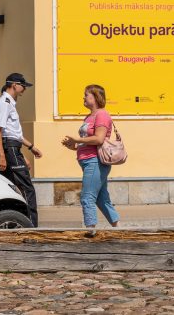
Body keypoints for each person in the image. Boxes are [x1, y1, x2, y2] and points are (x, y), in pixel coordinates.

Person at [62, 85, 120, 236]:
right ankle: (119, 228)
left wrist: (78, 139)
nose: (83, 98)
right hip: (87, 160)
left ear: (95, 97)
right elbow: (87, 142)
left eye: (86, 95)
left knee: (87, 197)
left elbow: (99, 139)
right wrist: (74, 145)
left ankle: (90, 231)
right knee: (102, 199)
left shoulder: (102, 115)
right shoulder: (89, 117)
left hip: (95, 161)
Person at [0, 73, 42, 227]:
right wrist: (2, 156)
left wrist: (30, 148)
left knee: (13, 187)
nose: (24, 88)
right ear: (14, 85)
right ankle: (32, 227)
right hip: (8, 149)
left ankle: (14, 222)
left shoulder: (9, 103)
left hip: (12, 148)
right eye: (23, 85)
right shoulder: (4, 103)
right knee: (27, 188)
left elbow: (13, 133)